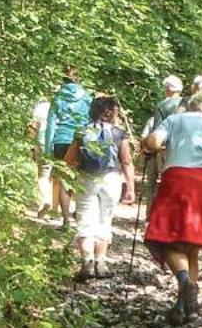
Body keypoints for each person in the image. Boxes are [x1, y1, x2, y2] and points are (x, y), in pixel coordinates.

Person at [141, 92, 202, 325]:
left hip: (177, 181)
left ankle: (185, 283)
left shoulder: (175, 120)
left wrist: (149, 145)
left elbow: (153, 142)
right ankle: (188, 306)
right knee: (192, 245)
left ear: (191, 106)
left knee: (168, 240)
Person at [65, 96, 137, 280]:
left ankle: (87, 263)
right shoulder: (119, 133)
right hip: (111, 179)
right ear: (112, 113)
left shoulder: (82, 132)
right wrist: (130, 188)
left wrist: (69, 181)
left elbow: (69, 160)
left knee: (85, 220)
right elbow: (127, 162)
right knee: (105, 221)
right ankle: (101, 263)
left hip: (86, 178)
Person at [43, 67, 93, 218]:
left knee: (63, 179)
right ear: (78, 80)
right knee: (79, 178)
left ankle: (65, 220)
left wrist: (47, 150)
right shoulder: (87, 98)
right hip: (80, 141)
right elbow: (91, 122)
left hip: (61, 141)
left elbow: (50, 125)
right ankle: (80, 213)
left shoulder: (58, 98)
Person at [140, 74, 183, 209]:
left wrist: (151, 148)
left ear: (168, 89)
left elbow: (158, 127)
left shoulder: (162, 104)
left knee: (153, 182)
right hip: (180, 148)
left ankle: (151, 213)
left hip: (163, 148)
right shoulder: (187, 103)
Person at [29, 94, 56, 218]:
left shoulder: (40, 107)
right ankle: (55, 209)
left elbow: (34, 127)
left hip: (42, 143)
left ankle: (46, 200)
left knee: (43, 176)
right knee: (56, 177)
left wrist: (31, 145)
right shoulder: (61, 107)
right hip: (59, 143)